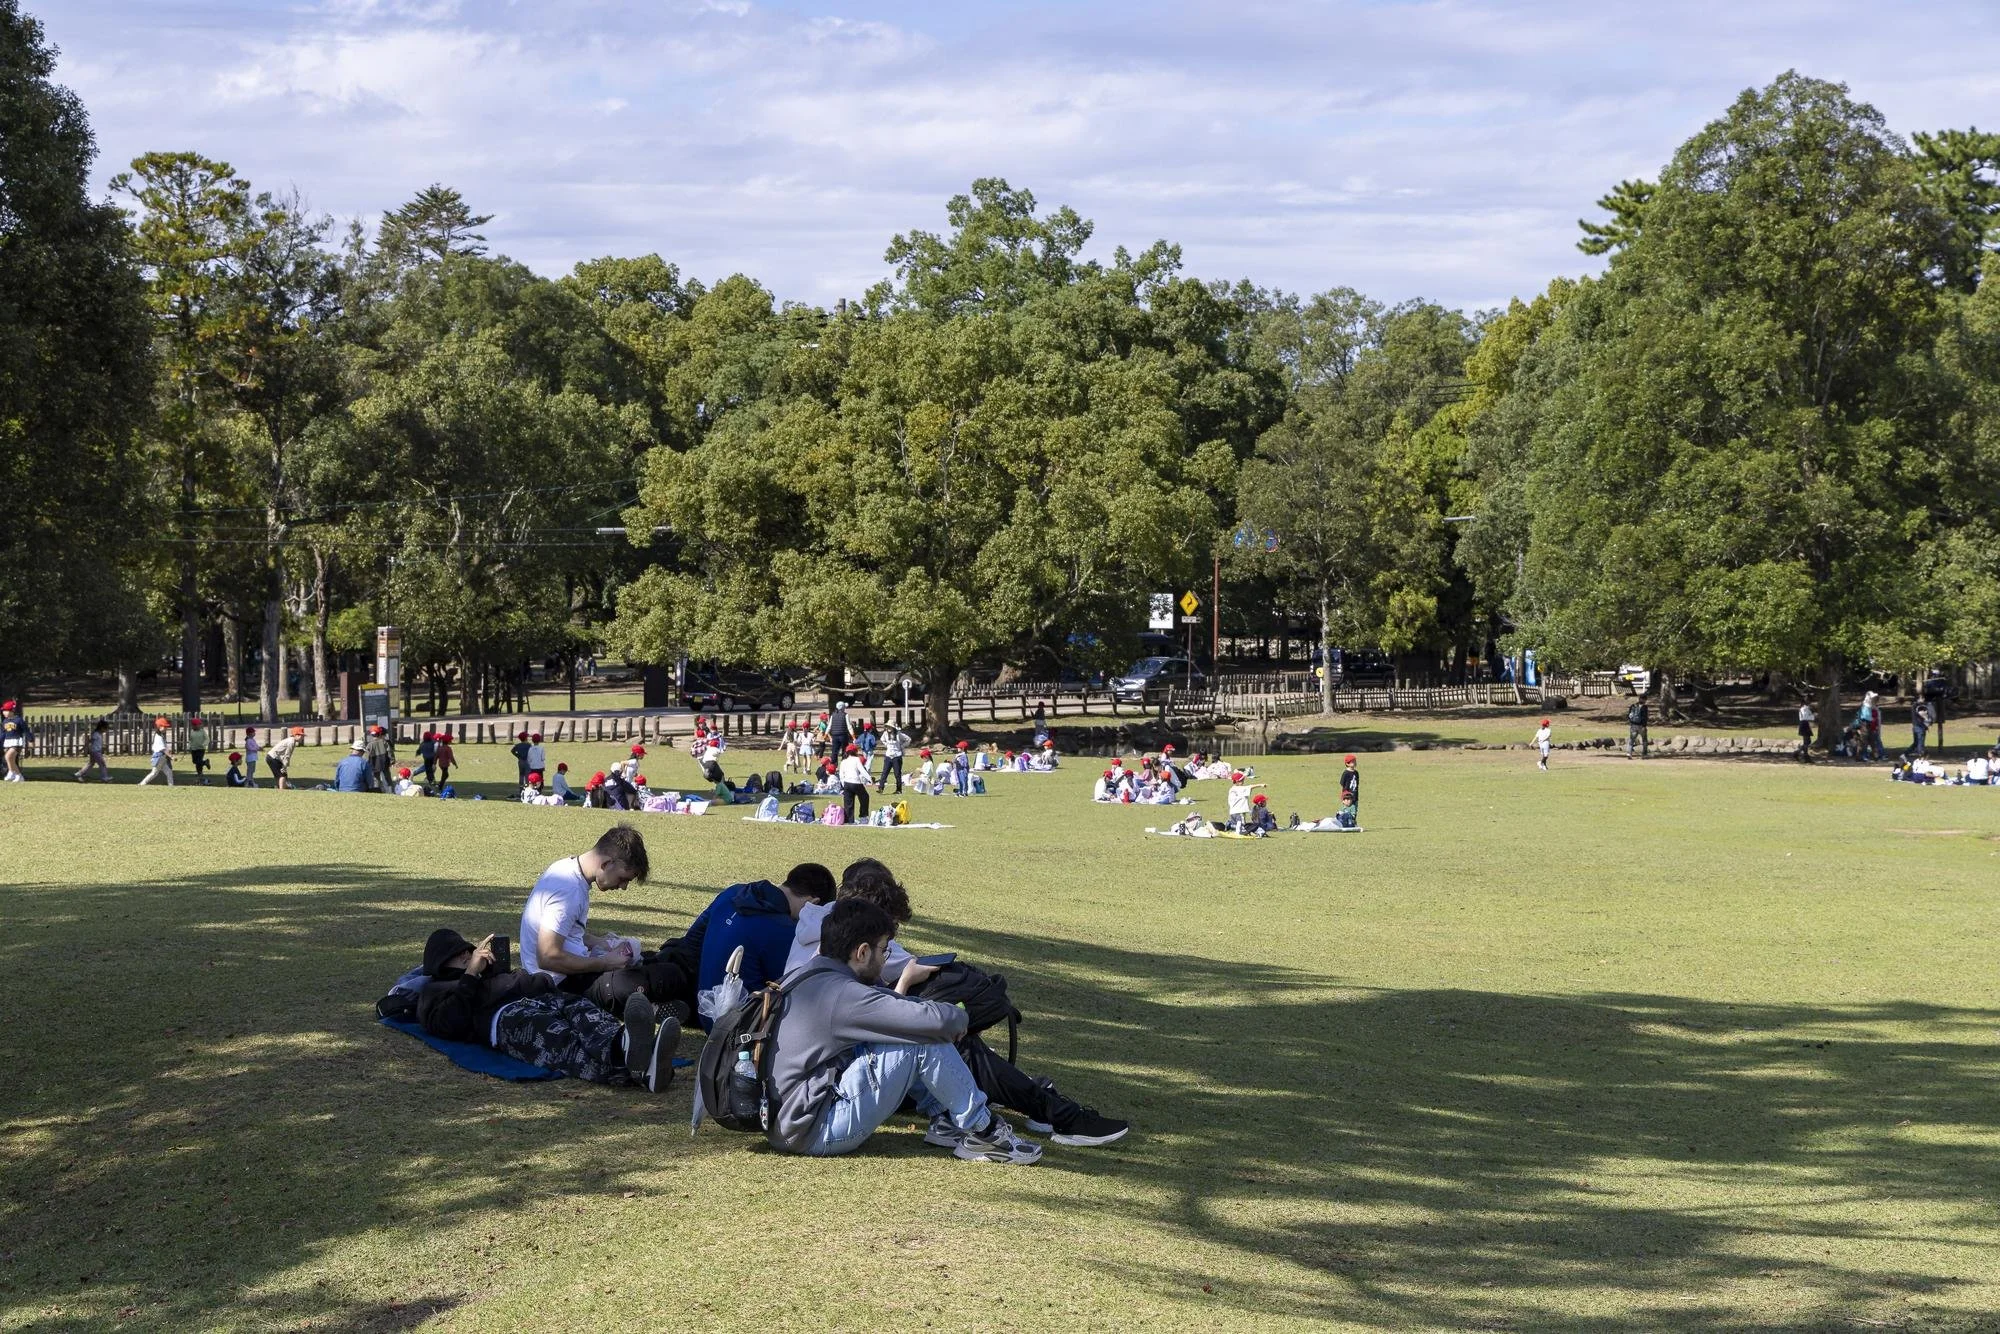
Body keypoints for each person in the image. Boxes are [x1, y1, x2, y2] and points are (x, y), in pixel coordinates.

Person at [788, 859, 1129, 1147]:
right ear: (862, 946)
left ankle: (1016, 1109)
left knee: (938, 1036)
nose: (888, 947)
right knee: (928, 1036)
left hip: (818, 1093)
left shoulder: (820, 950)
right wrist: (918, 992)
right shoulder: (839, 985)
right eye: (884, 943)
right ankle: (1000, 1124)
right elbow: (897, 1017)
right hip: (822, 1114)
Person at [763, 899, 1042, 1163]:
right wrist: (960, 1015)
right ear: (861, 952)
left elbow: (893, 1007)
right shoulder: (843, 994)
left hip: (788, 1121)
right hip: (813, 1130)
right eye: (884, 949)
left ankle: (945, 1120)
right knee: (920, 1041)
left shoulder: (808, 975)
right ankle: (986, 1133)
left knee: (906, 1032)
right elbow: (932, 1022)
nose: (885, 959)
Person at [414, 929, 679, 1093]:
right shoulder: (435, 991)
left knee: (585, 1012)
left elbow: (538, 981)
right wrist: (470, 974)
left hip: (541, 998)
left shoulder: (490, 974)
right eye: (456, 954)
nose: (464, 955)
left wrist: (500, 973)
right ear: (439, 963)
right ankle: (641, 1065)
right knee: (564, 1044)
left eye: (466, 950)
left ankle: (623, 1041)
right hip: (506, 1019)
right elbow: (449, 1024)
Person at [519, 823, 680, 1017]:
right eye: (623, 878)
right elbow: (547, 957)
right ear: (606, 863)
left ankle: (648, 1004)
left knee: (651, 959)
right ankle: (649, 1005)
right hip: (559, 984)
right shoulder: (568, 891)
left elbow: (561, 930)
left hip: (569, 972)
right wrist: (604, 963)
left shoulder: (566, 870)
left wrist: (600, 942)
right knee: (669, 976)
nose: (623, 887)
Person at [688, 863, 838, 1019]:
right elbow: (792, 987)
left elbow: (692, 940)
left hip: (702, 1005)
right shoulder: (785, 930)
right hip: (740, 1024)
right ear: (812, 903)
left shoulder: (732, 892)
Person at [838, 744, 872, 823]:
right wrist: (869, 778)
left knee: (848, 802)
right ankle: (863, 817)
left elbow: (841, 775)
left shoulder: (843, 761)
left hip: (846, 783)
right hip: (856, 782)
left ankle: (849, 820)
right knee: (864, 797)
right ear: (855, 751)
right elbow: (862, 770)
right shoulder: (856, 759)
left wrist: (844, 785)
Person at [137, 716, 175, 787]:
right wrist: (171, 756)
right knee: (154, 773)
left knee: (169, 772)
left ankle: (171, 785)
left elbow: (165, 747)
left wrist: (169, 753)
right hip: (159, 757)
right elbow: (163, 749)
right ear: (159, 727)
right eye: (164, 727)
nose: (166, 728)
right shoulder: (159, 737)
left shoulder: (161, 736)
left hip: (163, 757)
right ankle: (142, 784)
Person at [1, 700, 30, 781]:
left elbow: (26, 730)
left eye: (6, 710)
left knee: (8, 757)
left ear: (12, 711)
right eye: (3, 711)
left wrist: (31, 740)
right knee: (10, 759)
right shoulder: (5, 721)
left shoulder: (18, 720)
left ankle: (15, 774)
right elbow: (3, 733)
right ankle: (15, 774)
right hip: (7, 742)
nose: (4, 712)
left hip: (17, 742)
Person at [876, 720, 907, 793]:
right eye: (887, 726)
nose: (888, 728)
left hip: (897, 756)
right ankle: (881, 788)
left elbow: (908, 739)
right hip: (888, 756)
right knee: (884, 773)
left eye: (890, 727)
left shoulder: (898, 734)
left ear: (893, 727)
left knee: (897, 774)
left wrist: (902, 746)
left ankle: (899, 790)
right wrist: (887, 745)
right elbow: (882, 739)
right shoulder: (885, 734)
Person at [266, 726, 300, 791]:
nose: (302, 737)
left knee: (279, 774)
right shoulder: (291, 742)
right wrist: (285, 766)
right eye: (301, 735)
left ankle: (280, 787)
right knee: (282, 774)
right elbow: (287, 755)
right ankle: (282, 790)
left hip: (271, 757)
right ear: (296, 735)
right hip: (273, 758)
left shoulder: (291, 740)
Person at [364, 724, 395, 792]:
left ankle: (378, 790)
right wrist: (392, 761)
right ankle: (391, 790)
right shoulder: (384, 742)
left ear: (372, 735)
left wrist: (367, 764)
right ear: (379, 733)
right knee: (388, 777)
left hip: (374, 763)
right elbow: (390, 752)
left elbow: (367, 756)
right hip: (384, 762)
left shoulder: (370, 745)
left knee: (376, 778)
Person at [186, 715, 210, 782]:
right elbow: (190, 740)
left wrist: (204, 744)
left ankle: (200, 772)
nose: (198, 726)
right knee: (195, 761)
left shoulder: (202, 731)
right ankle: (205, 763)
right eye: (195, 725)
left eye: (199, 725)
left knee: (198, 761)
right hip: (194, 749)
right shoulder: (191, 732)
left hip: (201, 749)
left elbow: (207, 739)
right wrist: (188, 747)